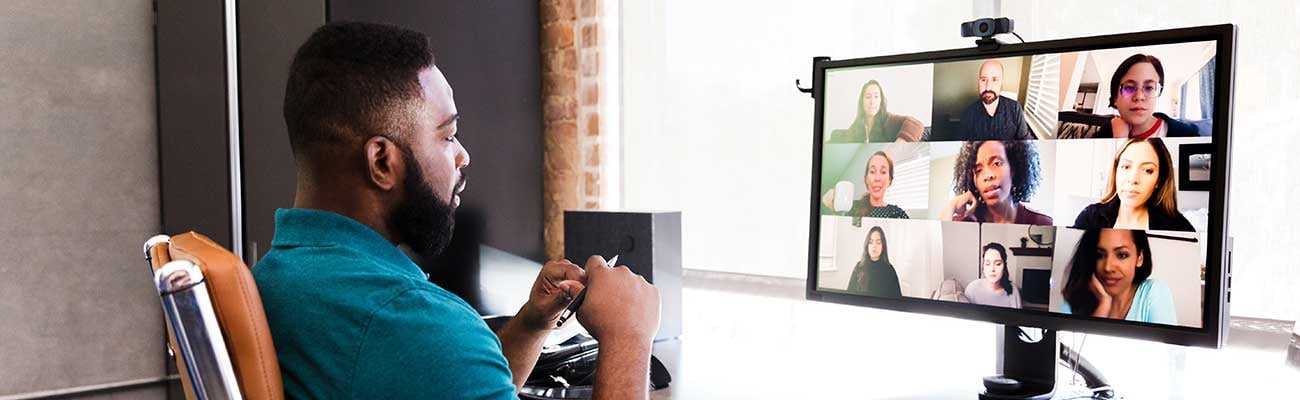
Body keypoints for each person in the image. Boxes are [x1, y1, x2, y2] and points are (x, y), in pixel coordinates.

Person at [253, 22, 660, 399]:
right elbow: (433, 351)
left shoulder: (280, 279)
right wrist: (628, 336)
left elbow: (445, 383)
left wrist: (533, 324)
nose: (463, 156)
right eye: (447, 135)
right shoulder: (409, 320)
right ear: (381, 162)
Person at [1073, 138, 1195, 232]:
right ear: (1116, 172)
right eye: (1126, 167)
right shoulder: (1090, 217)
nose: (1133, 179)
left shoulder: (1180, 227)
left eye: (1147, 170)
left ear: (1159, 180)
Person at [1058, 229, 1177, 324]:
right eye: (1099, 255)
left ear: (1139, 257)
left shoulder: (1153, 293)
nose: (1108, 267)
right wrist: (1102, 308)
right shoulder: (1075, 300)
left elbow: (1168, 352)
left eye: (1122, 255)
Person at [946, 140, 1053, 225]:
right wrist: (951, 205)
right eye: (978, 170)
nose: (988, 176)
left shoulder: (1042, 223)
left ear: (1013, 168)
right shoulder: (964, 222)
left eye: (997, 163)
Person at [1097, 54, 1202, 138]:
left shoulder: (1187, 135)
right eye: (1129, 88)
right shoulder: (1104, 134)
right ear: (1115, 97)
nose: (1139, 96)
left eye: (1149, 88)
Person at [955, 60, 1035, 140]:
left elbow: (1027, 143)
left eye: (994, 80)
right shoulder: (968, 114)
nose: (988, 87)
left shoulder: (1015, 109)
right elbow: (961, 147)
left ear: (1001, 82)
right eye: (983, 80)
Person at [821, 151, 910, 223]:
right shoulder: (851, 207)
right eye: (872, 171)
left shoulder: (897, 213)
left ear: (890, 180)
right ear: (866, 179)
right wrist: (826, 205)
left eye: (883, 172)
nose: (877, 178)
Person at [828, 80, 924, 143]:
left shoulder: (889, 119)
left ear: (881, 100)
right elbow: (845, 137)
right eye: (868, 97)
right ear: (862, 101)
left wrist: (899, 144)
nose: (872, 101)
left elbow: (916, 124)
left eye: (876, 96)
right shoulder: (858, 123)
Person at [846, 226, 903, 298]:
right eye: (870, 242)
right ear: (867, 245)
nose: (874, 246)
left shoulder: (889, 270)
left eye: (878, 242)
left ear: (883, 246)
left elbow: (897, 299)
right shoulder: (859, 267)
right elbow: (849, 295)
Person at [964, 243, 1022, 308]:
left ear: (1004, 266)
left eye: (998, 264)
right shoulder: (972, 289)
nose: (992, 269)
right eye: (987, 264)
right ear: (983, 267)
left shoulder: (1013, 290)